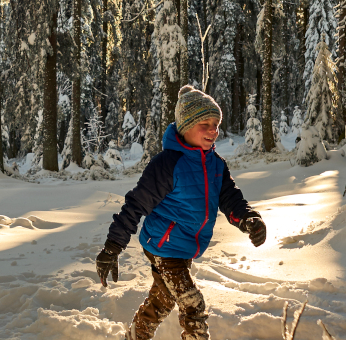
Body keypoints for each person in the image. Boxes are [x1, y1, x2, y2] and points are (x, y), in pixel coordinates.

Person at [96, 85, 269, 340]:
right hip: (163, 246)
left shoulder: (216, 164)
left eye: (216, 123)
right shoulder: (167, 165)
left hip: (184, 246)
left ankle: (135, 337)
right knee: (192, 304)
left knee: (163, 299)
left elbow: (230, 198)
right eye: (205, 123)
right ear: (186, 126)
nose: (213, 130)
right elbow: (136, 205)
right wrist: (113, 246)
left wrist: (248, 219)